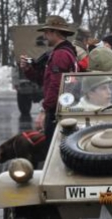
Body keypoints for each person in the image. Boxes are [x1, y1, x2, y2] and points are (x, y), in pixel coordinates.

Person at [20, 15, 77, 147]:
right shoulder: (65, 52)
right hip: (62, 108)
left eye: (46, 32)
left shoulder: (60, 54)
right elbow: (45, 80)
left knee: (53, 150)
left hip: (57, 111)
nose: (44, 36)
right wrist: (28, 69)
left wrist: (44, 111)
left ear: (54, 32)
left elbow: (56, 86)